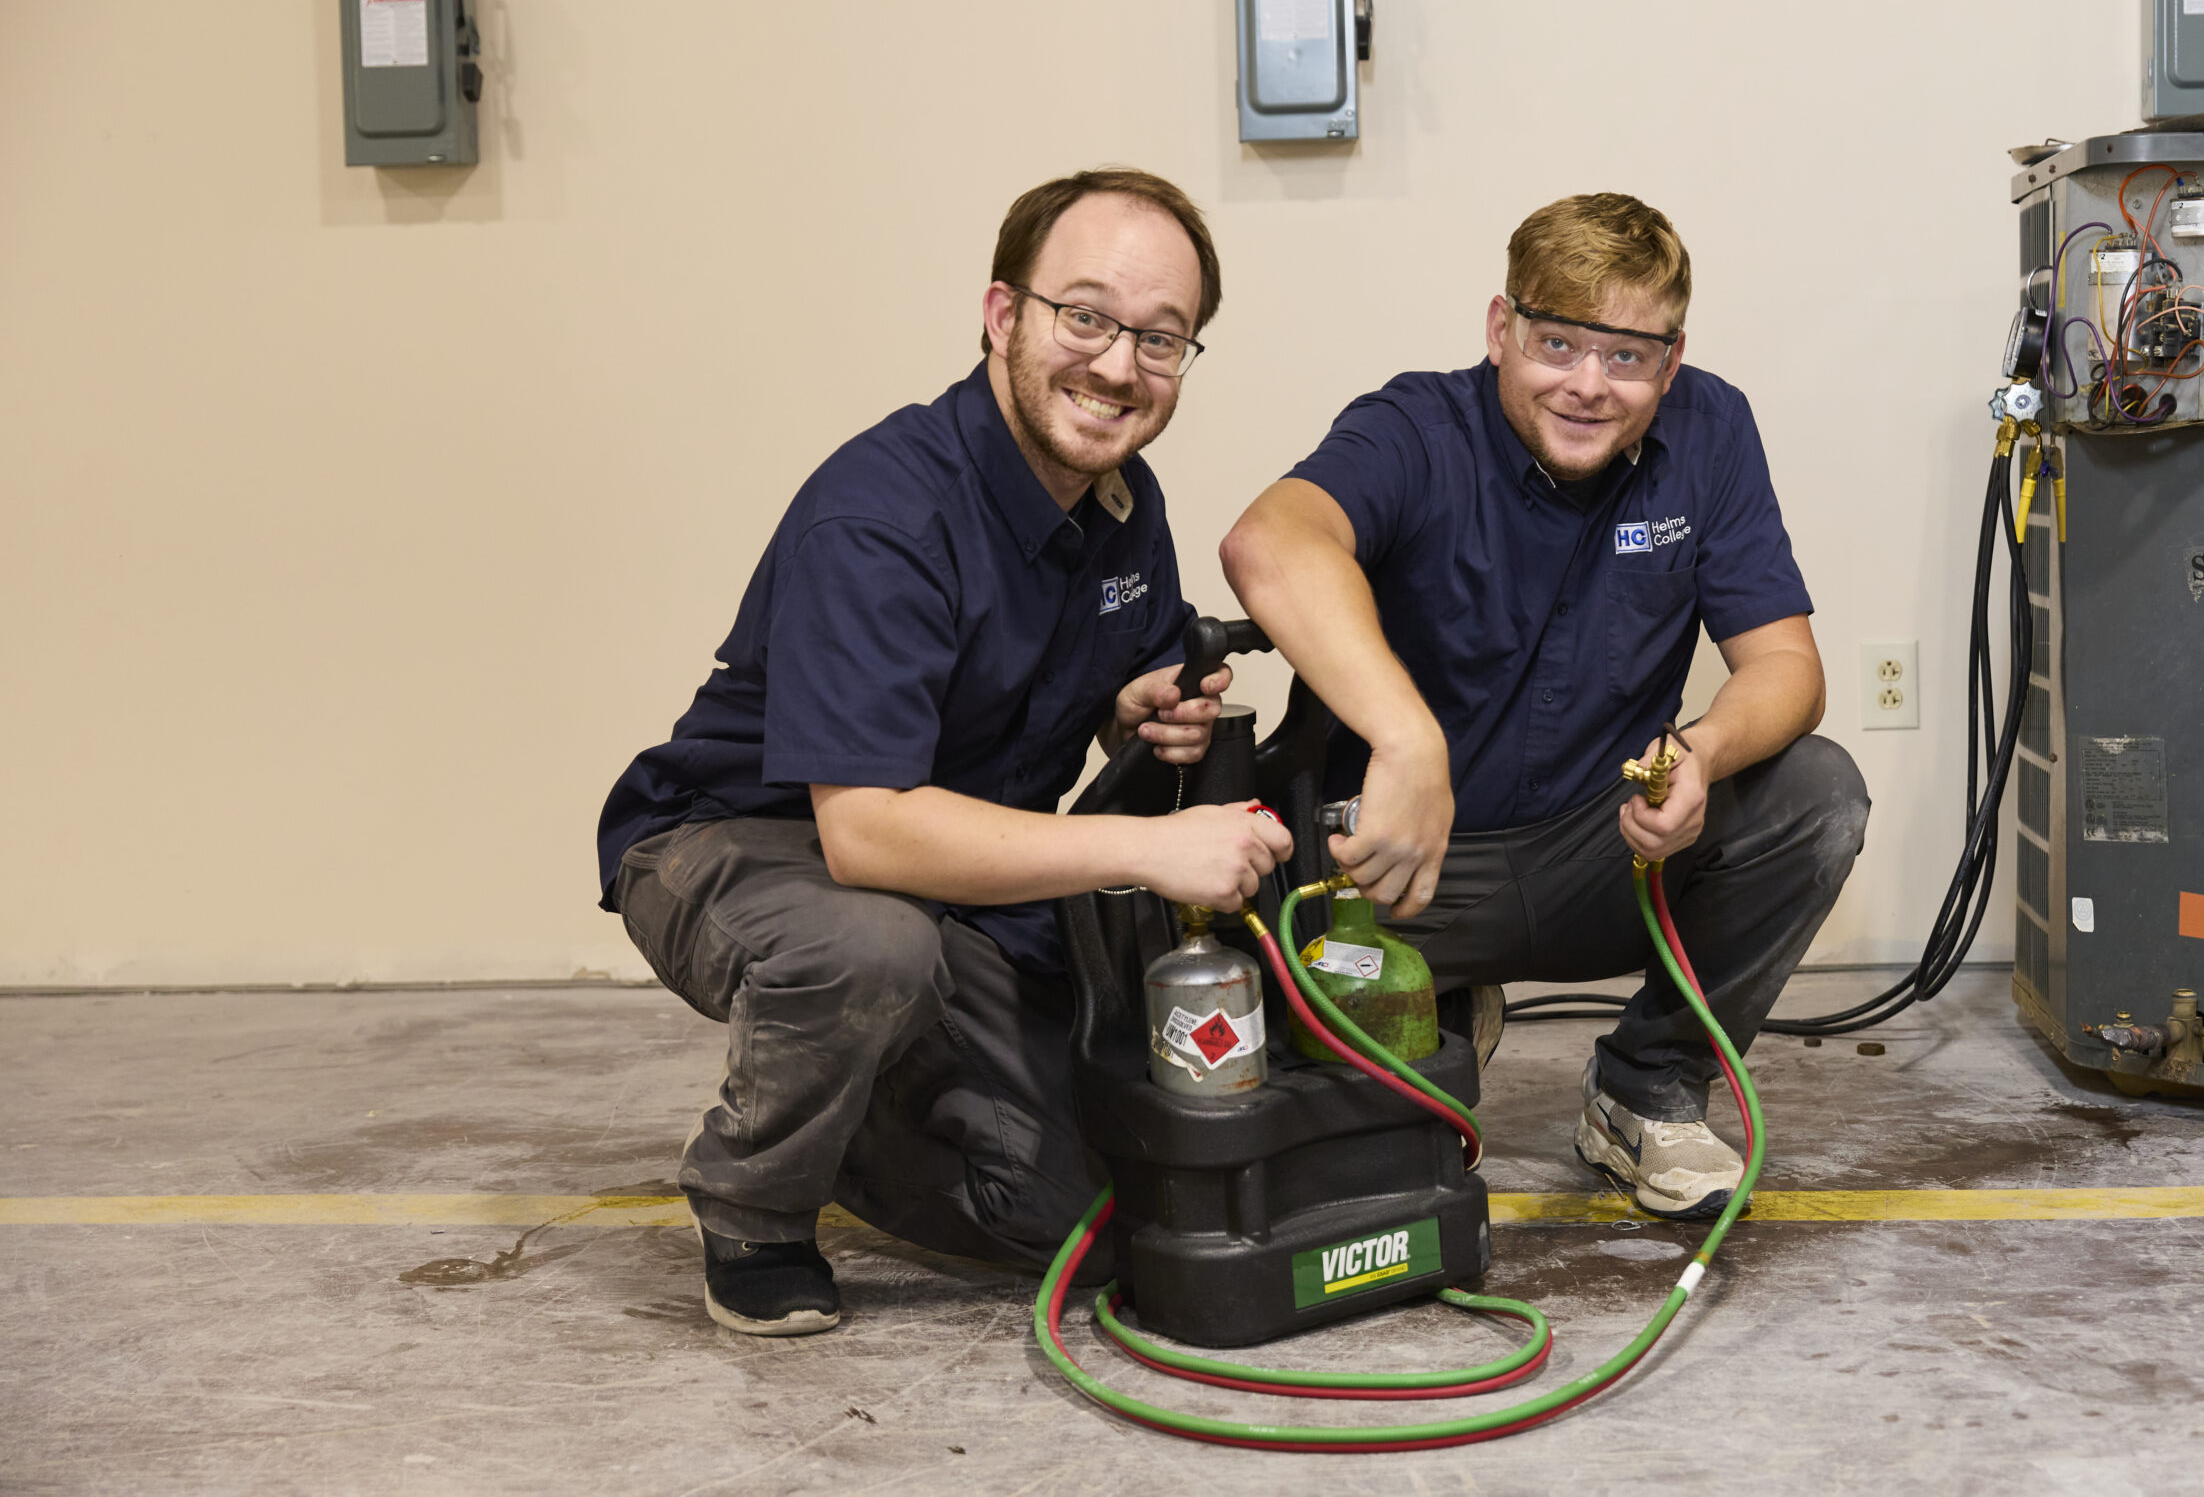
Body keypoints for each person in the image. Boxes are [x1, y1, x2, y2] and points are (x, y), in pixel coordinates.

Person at [597, 168, 1292, 1335]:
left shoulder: (1124, 504)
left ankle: (866, 1079)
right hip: (749, 845)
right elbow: (866, 833)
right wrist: (1152, 848)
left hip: (951, 873)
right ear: (1002, 314)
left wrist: (1132, 710)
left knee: (1096, 1218)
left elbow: (1088, 688)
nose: (1118, 365)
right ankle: (759, 1204)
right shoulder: (883, 517)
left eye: (1160, 338)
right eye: (1085, 316)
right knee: (867, 949)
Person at [1220, 191, 1868, 1219]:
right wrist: (1407, 739)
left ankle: (1646, 1087)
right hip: (1401, 865)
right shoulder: (1413, 426)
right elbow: (1267, 542)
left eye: (1627, 356)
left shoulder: (1711, 430)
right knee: (1342, 1157)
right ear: (1500, 329)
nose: (1587, 384)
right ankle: (1442, 1005)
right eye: (1556, 343)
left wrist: (1701, 752)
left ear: (1671, 361)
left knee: (1817, 794)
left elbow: (1788, 664)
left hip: (1602, 853)